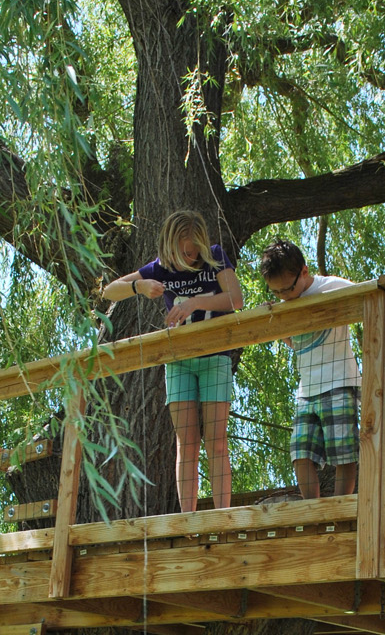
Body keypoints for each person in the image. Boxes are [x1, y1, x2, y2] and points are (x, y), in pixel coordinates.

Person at [103, 211, 243, 512]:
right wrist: (138, 287)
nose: (189, 257)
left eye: (194, 251)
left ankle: (223, 517)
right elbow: (108, 291)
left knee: (217, 442)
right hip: (178, 363)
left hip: (215, 357)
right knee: (186, 445)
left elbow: (236, 299)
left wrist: (195, 302)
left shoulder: (215, 257)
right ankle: (189, 522)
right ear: (170, 246)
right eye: (183, 252)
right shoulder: (160, 268)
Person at [259, 240, 360, 499]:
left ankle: (339, 509)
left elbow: (368, 296)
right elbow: (296, 343)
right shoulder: (286, 302)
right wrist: (275, 324)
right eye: (276, 292)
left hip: (338, 381)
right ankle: (313, 511)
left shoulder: (331, 287)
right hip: (307, 390)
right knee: (300, 453)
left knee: (343, 453)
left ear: (304, 272)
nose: (283, 296)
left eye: (287, 289)